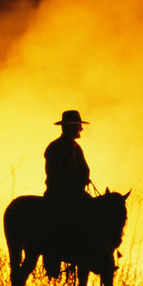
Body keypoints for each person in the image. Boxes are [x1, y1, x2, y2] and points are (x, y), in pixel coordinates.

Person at [43, 110, 92, 276]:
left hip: (76, 193)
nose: (81, 129)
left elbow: (85, 169)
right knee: (58, 220)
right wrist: (71, 184)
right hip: (58, 194)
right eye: (78, 126)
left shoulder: (77, 148)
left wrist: (84, 179)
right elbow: (55, 174)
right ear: (71, 127)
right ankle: (53, 255)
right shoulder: (54, 148)